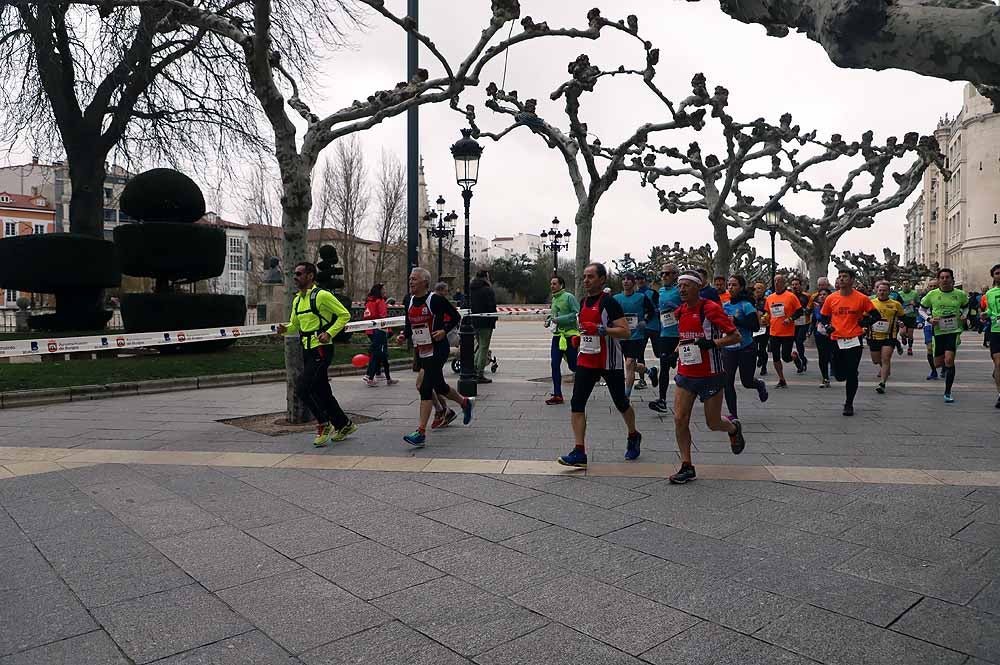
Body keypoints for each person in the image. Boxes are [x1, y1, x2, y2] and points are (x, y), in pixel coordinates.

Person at [557, 262, 642, 466]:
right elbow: (585, 329)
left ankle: (633, 435)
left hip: (609, 361)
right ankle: (579, 452)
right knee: (577, 404)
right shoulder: (583, 301)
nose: (586, 280)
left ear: (602, 279)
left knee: (621, 403)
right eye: (584, 277)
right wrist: (579, 338)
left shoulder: (609, 302)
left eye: (591, 277)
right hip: (586, 359)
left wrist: (601, 330)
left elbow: (625, 331)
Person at [668, 271, 746, 484]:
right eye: (679, 286)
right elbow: (685, 339)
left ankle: (732, 427)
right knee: (679, 418)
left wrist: (712, 344)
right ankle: (687, 465)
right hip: (686, 373)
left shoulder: (711, 308)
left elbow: (735, 336)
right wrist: (673, 353)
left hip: (711, 374)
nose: (681, 289)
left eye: (686, 285)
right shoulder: (680, 311)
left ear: (698, 287)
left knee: (712, 423)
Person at [276, 261, 356, 446]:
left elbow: (344, 315)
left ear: (310, 276)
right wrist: (284, 329)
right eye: (294, 274)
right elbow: (295, 325)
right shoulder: (297, 299)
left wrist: (329, 333)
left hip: (322, 349)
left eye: (299, 274)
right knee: (322, 391)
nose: (295, 277)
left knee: (302, 388)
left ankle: (323, 423)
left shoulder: (322, 296)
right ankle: (344, 424)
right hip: (307, 349)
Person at [397, 267, 474, 447]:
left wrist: (443, 331)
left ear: (425, 282)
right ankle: (464, 403)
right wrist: (403, 336)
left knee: (425, 387)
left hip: (438, 349)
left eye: (414, 279)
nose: (411, 281)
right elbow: (410, 325)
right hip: (423, 349)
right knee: (439, 386)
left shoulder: (435, 300)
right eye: (410, 278)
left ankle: (421, 433)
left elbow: (455, 316)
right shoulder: (409, 300)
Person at [820, 269, 879, 416]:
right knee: (839, 375)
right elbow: (824, 316)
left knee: (852, 373)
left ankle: (849, 403)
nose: (841, 279)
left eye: (844, 277)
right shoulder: (831, 298)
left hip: (854, 339)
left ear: (852, 280)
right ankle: (846, 372)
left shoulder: (862, 298)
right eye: (839, 277)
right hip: (836, 339)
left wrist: (864, 322)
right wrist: (828, 326)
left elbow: (876, 315)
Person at [722, 275, 768, 419]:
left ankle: (759, 385)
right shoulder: (724, 306)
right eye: (729, 285)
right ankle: (733, 415)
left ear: (741, 287)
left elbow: (754, 327)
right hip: (728, 348)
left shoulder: (746, 305)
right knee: (727, 381)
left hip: (746, 347)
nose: (730, 287)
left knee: (746, 382)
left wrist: (736, 321)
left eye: (734, 285)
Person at [920, 268, 969, 403]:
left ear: (952, 279)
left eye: (947, 277)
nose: (945, 280)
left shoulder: (960, 294)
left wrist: (964, 315)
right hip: (938, 331)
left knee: (949, 360)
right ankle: (940, 369)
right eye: (942, 277)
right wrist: (929, 319)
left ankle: (948, 392)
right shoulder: (932, 294)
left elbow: (966, 306)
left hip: (953, 331)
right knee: (938, 363)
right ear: (939, 279)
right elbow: (921, 309)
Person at [614, 272, 657, 397]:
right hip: (621, 335)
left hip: (636, 336)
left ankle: (626, 395)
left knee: (629, 363)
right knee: (631, 365)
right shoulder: (616, 298)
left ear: (633, 283)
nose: (626, 281)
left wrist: (645, 321)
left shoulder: (641, 297)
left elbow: (651, 311)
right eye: (623, 279)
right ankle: (650, 371)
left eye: (628, 279)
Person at [649, 263, 682, 412]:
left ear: (675, 275)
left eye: (667, 274)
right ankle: (662, 400)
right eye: (662, 274)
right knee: (664, 366)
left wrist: (676, 308)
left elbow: (689, 307)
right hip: (665, 333)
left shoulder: (681, 289)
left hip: (680, 334)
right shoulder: (661, 290)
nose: (664, 276)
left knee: (685, 367)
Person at [545, 275, 580, 405]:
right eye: (551, 283)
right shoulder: (554, 299)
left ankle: (587, 379)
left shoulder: (569, 297)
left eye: (554, 284)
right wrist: (549, 321)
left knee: (573, 365)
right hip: (557, 336)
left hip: (570, 336)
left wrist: (559, 320)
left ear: (561, 285)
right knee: (554, 364)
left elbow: (576, 314)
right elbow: (554, 316)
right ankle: (558, 395)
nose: (552, 286)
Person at [764, 274, 803, 388]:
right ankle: (781, 379)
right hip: (774, 331)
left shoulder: (791, 296)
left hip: (788, 332)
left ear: (784, 283)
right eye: (775, 281)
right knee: (775, 356)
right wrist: (764, 318)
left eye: (779, 281)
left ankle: (794, 356)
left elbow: (800, 311)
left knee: (786, 357)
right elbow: (767, 312)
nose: (776, 283)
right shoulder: (770, 297)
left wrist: (790, 318)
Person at [869, 280, 905, 394]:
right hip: (873, 336)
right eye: (880, 290)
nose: (882, 293)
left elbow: (903, 317)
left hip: (889, 336)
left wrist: (902, 324)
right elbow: (863, 317)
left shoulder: (895, 304)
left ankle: (882, 383)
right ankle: (884, 368)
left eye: (885, 291)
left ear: (889, 292)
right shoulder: (871, 303)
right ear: (876, 291)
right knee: (876, 360)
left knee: (886, 359)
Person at [362, 283, 398, 388]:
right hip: (380, 331)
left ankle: (386, 377)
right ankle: (370, 376)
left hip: (370, 330)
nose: (385, 291)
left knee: (381, 354)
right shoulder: (380, 301)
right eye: (383, 289)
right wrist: (389, 330)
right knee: (378, 354)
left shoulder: (369, 302)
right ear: (379, 291)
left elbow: (367, 316)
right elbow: (384, 317)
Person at [469, 270, 497, 384]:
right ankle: (479, 373)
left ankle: (474, 367)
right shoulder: (487, 290)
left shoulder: (472, 289)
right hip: (486, 322)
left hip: (475, 321)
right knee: (484, 347)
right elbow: (491, 306)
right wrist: (494, 318)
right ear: (486, 277)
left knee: (480, 346)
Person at [980, 264, 1000, 408]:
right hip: (996, 330)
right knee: (998, 363)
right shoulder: (990, 294)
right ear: (993, 276)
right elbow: (989, 310)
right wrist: (985, 314)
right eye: (997, 273)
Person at [636, 272, 660, 390]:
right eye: (637, 279)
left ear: (645, 280)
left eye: (641, 278)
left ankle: (656, 371)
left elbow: (659, 307)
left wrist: (651, 312)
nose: (639, 281)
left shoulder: (653, 293)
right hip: (642, 328)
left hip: (654, 326)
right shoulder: (635, 294)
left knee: (658, 353)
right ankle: (642, 380)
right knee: (639, 353)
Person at [812, 288, 833, 387]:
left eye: (824, 294)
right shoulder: (816, 308)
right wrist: (810, 330)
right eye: (820, 294)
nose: (822, 296)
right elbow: (814, 320)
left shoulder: (834, 307)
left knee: (831, 355)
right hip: (820, 334)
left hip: (833, 334)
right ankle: (825, 378)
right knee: (822, 356)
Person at [790, 276, 810, 373]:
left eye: (796, 284)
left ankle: (802, 359)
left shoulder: (806, 296)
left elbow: (811, 307)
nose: (795, 286)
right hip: (792, 323)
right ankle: (799, 362)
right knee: (791, 344)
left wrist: (807, 311)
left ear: (801, 286)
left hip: (803, 322)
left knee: (799, 341)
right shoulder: (789, 296)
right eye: (793, 285)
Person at [921, 277, 940, 380]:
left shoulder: (943, 296)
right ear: (927, 287)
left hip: (942, 326)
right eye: (930, 286)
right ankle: (933, 370)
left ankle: (946, 366)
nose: (932, 288)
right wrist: (926, 319)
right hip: (929, 325)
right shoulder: (925, 299)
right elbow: (921, 311)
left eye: (935, 286)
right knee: (929, 349)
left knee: (943, 349)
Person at [896, 278, 920, 355]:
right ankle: (903, 337)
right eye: (904, 284)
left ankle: (910, 348)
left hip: (911, 316)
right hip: (902, 316)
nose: (906, 285)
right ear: (902, 285)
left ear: (909, 285)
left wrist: (915, 304)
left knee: (910, 334)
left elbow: (919, 304)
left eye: (907, 283)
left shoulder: (914, 293)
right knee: (902, 333)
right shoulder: (899, 294)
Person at [753, 282, 770, 376]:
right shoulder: (751, 300)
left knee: (763, 348)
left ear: (764, 290)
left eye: (759, 288)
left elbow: (769, 312)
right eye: (755, 288)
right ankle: (759, 356)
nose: (757, 290)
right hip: (754, 327)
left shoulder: (767, 300)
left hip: (764, 327)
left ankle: (764, 367)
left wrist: (764, 317)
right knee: (754, 347)